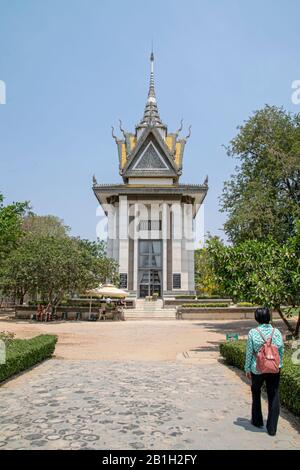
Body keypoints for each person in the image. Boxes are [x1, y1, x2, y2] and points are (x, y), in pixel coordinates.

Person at [244, 307, 284, 436]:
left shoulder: (253, 332)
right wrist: (279, 365)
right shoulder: (276, 332)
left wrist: (247, 368)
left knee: (256, 392)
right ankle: (272, 428)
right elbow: (281, 350)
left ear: (257, 318)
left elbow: (249, 352)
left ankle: (257, 421)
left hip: (257, 368)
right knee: (274, 395)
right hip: (274, 368)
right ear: (268, 317)